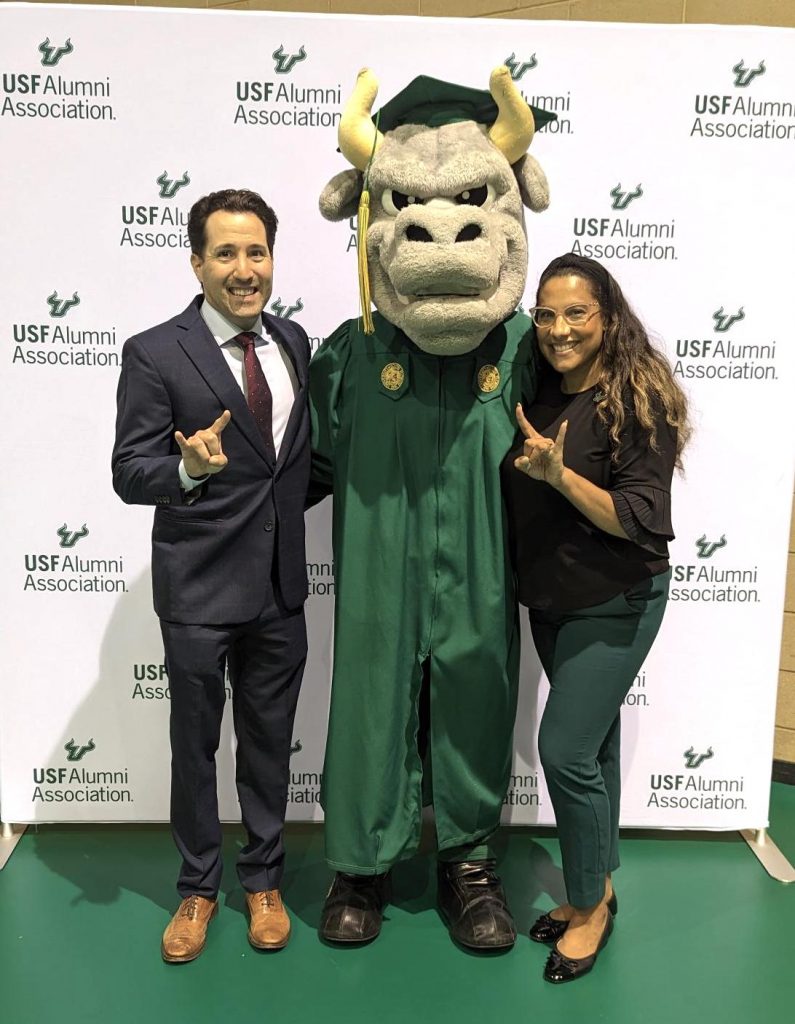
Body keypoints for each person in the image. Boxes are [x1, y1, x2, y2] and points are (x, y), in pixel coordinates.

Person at [112, 189, 311, 963]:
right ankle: (197, 889)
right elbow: (131, 470)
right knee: (194, 748)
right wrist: (188, 470)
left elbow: (292, 467)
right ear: (196, 262)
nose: (242, 269)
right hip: (196, 590)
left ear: (271, 259)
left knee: (269, 746)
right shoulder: (156, 351)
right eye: (225, 253)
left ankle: (262, 880)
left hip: (279, 589)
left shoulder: (294, 341)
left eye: (255, 252)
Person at [502, 253, 690, 983]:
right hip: (551, 600)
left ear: (607, 317)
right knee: (597, 752)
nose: (557, 329)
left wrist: (557, 473)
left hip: (617, 600)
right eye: (545, 314)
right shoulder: (538, 388)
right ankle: (597, 883)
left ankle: (589, 908)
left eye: (575, 313)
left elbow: (639, 520)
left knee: (567, 752)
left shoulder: (637, 399)